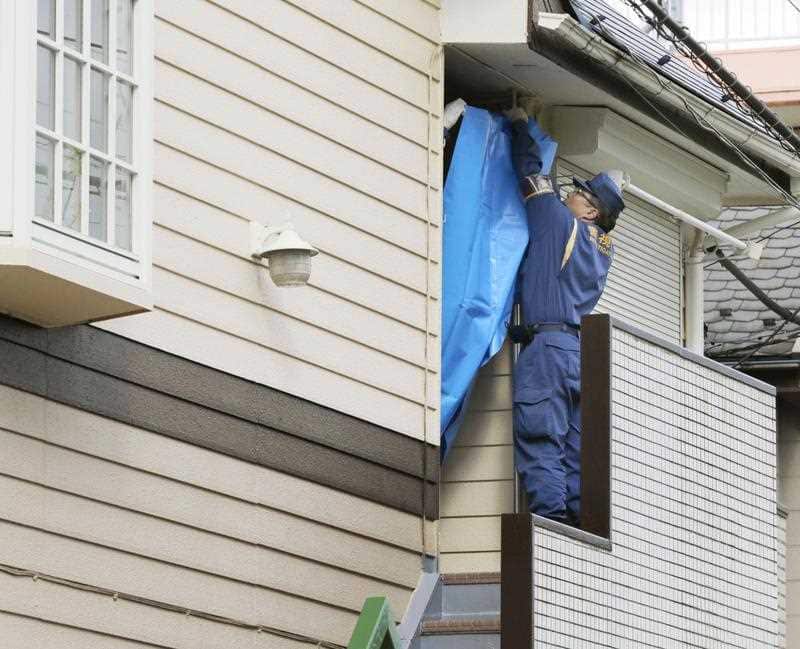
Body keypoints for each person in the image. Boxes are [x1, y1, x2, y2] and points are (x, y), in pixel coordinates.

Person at [506, 107, 626, 526]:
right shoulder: (603, 251)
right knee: (574, 449)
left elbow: (530, 177)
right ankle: (576, 532)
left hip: (551, 353)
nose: (569, 195)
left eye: (577, 193)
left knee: (540, 437)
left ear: (590, 210)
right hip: (577, 354)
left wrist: (519, 124)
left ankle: (551, 530)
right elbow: (557, 289)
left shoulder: (561, 223)